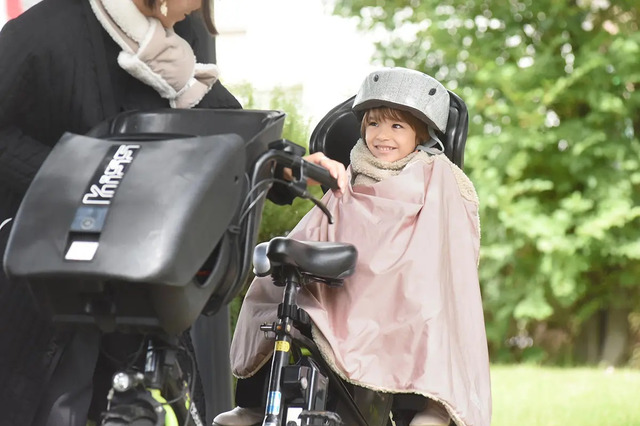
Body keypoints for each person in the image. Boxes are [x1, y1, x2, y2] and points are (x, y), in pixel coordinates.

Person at [0, 1, 346, 425]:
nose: (198, 8)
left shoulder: (174, 48)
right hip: (50, 273)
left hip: (138, 272)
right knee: (55, 401)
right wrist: (76, 178)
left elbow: (232, 134)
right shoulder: (52, 28)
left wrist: (295, 165)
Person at [214, 67, 492, 426]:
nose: (382, 135)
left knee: (423, 313)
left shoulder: (434, 176)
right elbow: (328, 223)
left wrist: (399, 267)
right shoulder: (350, 174)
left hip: (404, 280)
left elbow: (442, 243)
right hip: (344, 280)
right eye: (374, 124)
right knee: (271, 290)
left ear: (421, 134)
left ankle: (429, 406)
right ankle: (255, 400)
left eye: (397, 127)